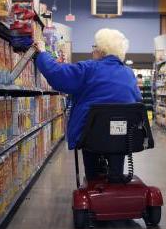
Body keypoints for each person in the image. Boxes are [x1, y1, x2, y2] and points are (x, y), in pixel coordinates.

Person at [34, 28, 142, 182]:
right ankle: (116, 176)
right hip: (124, 137)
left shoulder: (88, 69)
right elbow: (137, 101)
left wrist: (43, 53)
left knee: (92, 138)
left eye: (94, 47)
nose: (93, 51)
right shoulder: (129, 74)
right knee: (117, 138)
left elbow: (57, 75)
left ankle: (92, 181)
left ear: (101, 50)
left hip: (90, 137)